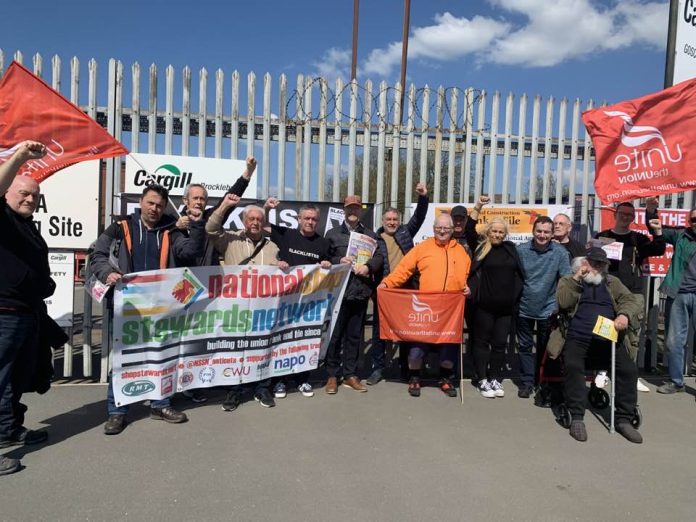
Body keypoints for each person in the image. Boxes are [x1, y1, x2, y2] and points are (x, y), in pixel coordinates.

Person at [91, 183, 205, 435]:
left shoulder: (171, 230)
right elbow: (97, 255)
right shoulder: (119, 228)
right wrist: (107, 272)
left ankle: (160, 404)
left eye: (160, 205)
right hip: (127, 306)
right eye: (150, 203)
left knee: (161, 355)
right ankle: (117, 410)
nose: (155, 208)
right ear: (141, 202)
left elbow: (191, 251)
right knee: (124, 358)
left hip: (162, 308)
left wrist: (196, 224)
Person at [174, 156, 257, 403]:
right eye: (195, 198)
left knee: (206, 336)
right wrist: (177, 225)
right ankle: (184, 384)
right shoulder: (174, 220)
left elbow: (229, 199)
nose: (199, 202)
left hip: (210, 288)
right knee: (184, 338)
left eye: (202, 198)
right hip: (183, 288)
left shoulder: (211, 218)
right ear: (185, 201)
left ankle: (204, 379)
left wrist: (247, 173)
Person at [0, 141, 55, 476]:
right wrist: (19, 156)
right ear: (7, 193)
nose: (29, 199)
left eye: (34, 195)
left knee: (17, 378)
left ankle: (8, 428)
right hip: (3, 314)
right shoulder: (2, 217)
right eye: (23, 193)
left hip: (27, 313)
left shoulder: (28, 227)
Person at [554, 248, 644, 443]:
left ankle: (624, 419)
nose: (596, 267)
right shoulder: (569, 281)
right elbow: (562, 302)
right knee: (573, 365)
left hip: (608, 338)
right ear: (583, 263)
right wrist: (577, 278)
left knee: (628, 370)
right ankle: (577, 416)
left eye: (600, 264)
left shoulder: (612, 282)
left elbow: (631, 299)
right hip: (578, 336)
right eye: (592, 263)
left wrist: (624, 314)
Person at [379, 213, 471, 398]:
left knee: (448, 350)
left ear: (452, 230)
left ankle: (445, 379)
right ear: (434, 229)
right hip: (426, 310)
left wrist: (467, 287)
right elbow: (404, 269)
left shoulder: (461, 251)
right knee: (416, 351)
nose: (442, 231)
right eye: (439, 228)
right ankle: (415, 378)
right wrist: (387, 284)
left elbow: (467, 275)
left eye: (446, 228)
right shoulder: (423, 248)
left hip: (449, 312)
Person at [206, 194, 280, 410]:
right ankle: (233, 391)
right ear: (243, 221)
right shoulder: (229, 240)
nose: (255, 223)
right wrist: (225, 205)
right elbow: (210, 228)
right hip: (235, 308)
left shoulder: (272, 246)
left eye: (259, 220)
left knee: (263, 346)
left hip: (262, 310)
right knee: (235, 349)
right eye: (251, 219)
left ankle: (262, 388)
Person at [263, 197, 332, 399]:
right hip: (285, 300)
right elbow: (262, 223)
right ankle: (280, 382)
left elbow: (327, 265)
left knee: (305, 340)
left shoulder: (323, 243)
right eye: (307, 218)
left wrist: (327, 264)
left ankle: (302, 379)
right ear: (299, 219)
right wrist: (267, 207)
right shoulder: (286, 234)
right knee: (282, 339)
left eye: (314, 220)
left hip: (308, 304)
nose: (310, 222)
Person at [595, 199, 665, 393]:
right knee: (604, 332)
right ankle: (603, 371)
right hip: (606, 292)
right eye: (622, 213)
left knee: (632, 335)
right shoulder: (603, 236)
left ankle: (629, 375)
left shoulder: (638, 239)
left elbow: (659, 249)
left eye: (629, 215)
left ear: (633, 218)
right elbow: (592, 261)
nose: (625, 217)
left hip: (633, 293)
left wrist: (658, 231)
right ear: (615, 215)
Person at [368, 182, 429, 385]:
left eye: (395, 219)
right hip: (384, 292)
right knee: (379, 332)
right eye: (388, 219)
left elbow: (419, 216)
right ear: (382, 221)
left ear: (399, 221)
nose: (392, 222)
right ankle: (378, 369)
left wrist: (423, 197)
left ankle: (405, 367)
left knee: (405, 330)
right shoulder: (374, 239)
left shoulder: (405, 233)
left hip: (406, 291)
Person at [324, 195, 384, 394]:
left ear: (360, 211)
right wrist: (337, 259)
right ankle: (332, 375)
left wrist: (368, 267)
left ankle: (350, 374)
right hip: (338, 292)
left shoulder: (370, 235)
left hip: (360, 291)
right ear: (344, 209)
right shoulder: (332, 234)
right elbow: (323, 259)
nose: (352, 212)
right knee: (335, 336)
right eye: (349, 208)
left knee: (354, 336)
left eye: (356, 208)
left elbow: (379, 257)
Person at [467, 218, 524, 398]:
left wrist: (514, 298)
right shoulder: (481, 247)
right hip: (484, 306)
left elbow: (519, 274)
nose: (497, 235)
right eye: (494, 231)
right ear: (488, 232)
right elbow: (469, 228)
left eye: (501, 232)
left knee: (500, 344)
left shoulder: (511, 249)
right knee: (482, 343)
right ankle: (482, 378)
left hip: (506, 308)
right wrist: (478, 206)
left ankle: (495, 378)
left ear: (505, 234)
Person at [516, 216, 571, 400]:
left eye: (546, 232)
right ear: (533, 231)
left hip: (548, 308)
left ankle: (542, 382)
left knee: (544, 348)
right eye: (539, 231)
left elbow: (565, 281)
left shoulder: (560, 253)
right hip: (524, 307)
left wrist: (558, 306)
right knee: (524, 346)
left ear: (551, 233)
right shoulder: (521, 251)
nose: (542, 235)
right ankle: (526, 382)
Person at [656, 206, 696, 394]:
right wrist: (650, 211)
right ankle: (676, 382)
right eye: (694, 219)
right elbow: (657, 229)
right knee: (673, 341)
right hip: (678, 293)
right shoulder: (681, 235)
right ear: (689, 221)